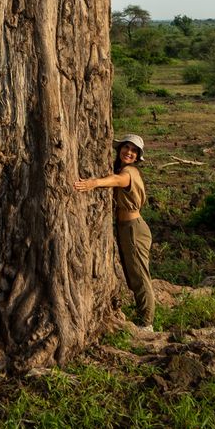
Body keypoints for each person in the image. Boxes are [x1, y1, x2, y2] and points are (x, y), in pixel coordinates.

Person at [74, 133, 154, 331]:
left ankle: (147, 323)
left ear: (137, 157)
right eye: (126, 147)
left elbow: (119, 180)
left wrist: (94, 183)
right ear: (120, 149)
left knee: (139, 275)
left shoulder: (129, 171)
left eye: (134, 151)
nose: (129, 152)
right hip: (126, 228)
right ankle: (142, 316)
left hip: (134, 228)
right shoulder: (122, 168)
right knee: (131, 272)